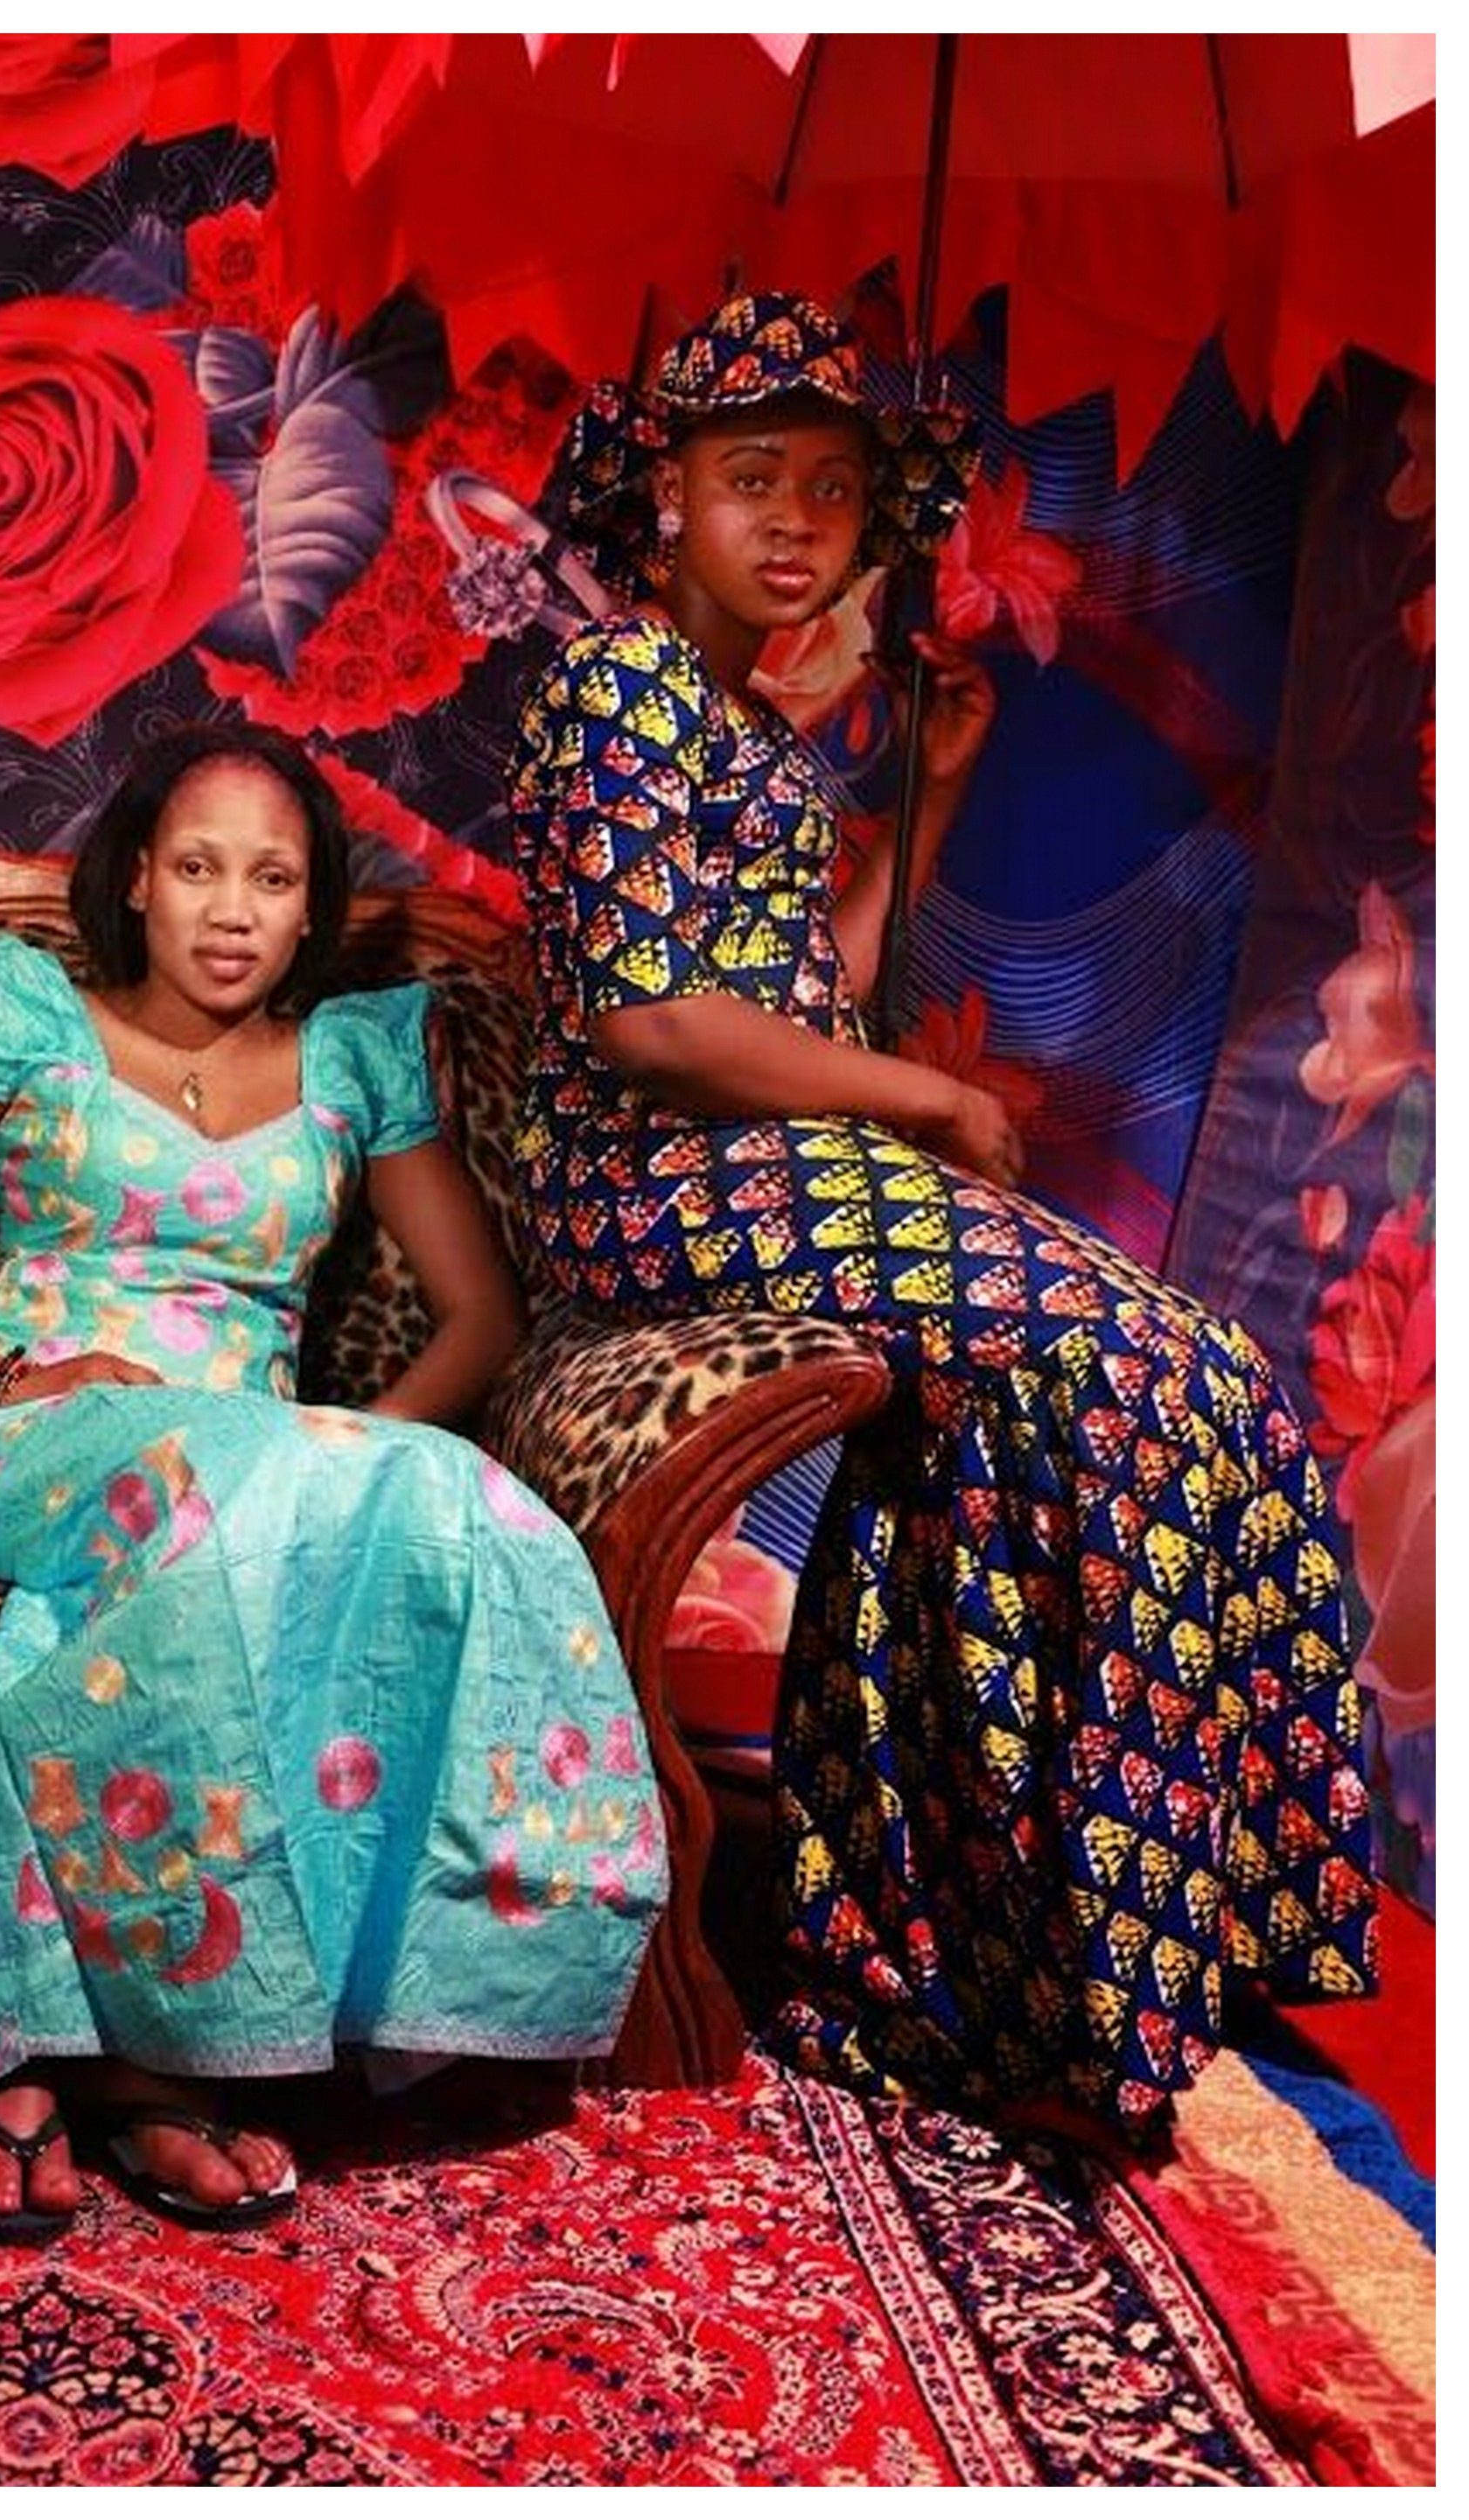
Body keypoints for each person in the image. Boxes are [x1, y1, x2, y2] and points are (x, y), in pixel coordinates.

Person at [511, 291, 1371, 2134]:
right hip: (656, 1185)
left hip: (764, 1163)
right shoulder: (612, 689)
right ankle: (1100, 1938)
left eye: (831, 487)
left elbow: (793, 1001)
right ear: (658, 499)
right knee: (1158, 1367)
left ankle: (967, 1956)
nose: (800, 521)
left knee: (1070, 1411)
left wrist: (933, 799)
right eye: (753, 479)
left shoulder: (736, 723)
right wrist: (929, 1094)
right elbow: (652, 1026)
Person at [0, 722, 661, 2240]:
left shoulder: (358, 1057)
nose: (232, 908)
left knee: (446, 1498)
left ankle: (61, 2046)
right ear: (140, 885)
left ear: (312, 907)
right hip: (17, 1443)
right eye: (196, 868)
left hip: (241, 1477)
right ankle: (163, 2064)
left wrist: (339, 1463)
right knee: (188, 1495)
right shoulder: (32, 1012)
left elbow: (484, 1319)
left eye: (273, 875)